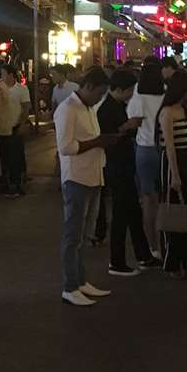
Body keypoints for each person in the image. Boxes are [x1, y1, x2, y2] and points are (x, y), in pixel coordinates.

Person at [55, 67, 116, 305]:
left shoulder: (88, 107)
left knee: (84, 234)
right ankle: (70, 286)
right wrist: (98, 142)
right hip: (76, 179)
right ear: (88, 87)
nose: (101, 98)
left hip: (93, 176)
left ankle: (80, 281)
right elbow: (66, 147)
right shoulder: (67, 109)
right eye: (99, 93)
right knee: (73, 235)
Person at [97, 68, 155, 277]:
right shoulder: (106, 109)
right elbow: (107, 137)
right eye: (130, 90)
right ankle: (117, 261)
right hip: (116, 166)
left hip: (125, 164)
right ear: (120, 89)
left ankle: (144, 255)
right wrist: (126, 126)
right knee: (121, 214)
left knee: (132, 212)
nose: (132, 93)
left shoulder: (119, 105)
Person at [158, 70, 187, 281]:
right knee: (175, 214)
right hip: (173, 165)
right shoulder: (167, 112)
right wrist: (175, 175)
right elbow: (169, 147)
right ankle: (173, 261)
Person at [127, 58, 167, 263]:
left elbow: (133, 122)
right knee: (164, 199)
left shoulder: (138, 95)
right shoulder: (167, 94)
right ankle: (167, 243)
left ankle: (153, 247)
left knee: (148, 201)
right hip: (165, 150)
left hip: (144, 150)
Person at [0, 63, 25, 198]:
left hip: (9, 127)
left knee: (11, 157)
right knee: (5, 157)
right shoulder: (2, 87)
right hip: (4, 127)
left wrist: (21, 123)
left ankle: (14, 185)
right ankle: (7, 184)